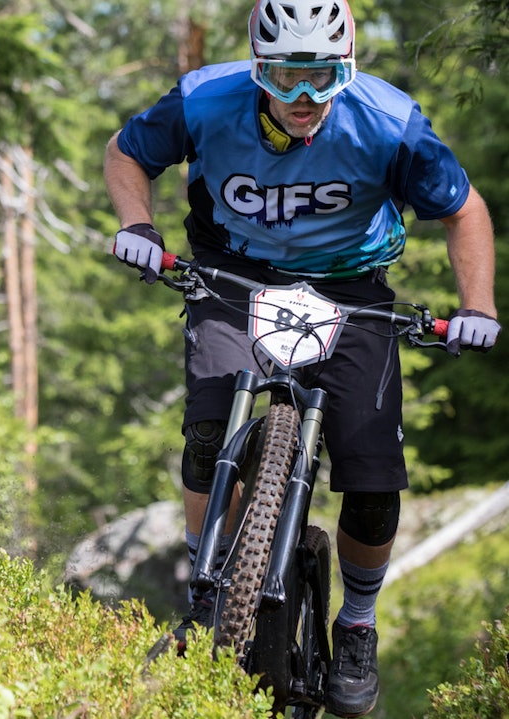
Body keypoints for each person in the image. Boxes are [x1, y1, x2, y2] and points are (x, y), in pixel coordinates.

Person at [103, 0, 499, 716]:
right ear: (260, 70)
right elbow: (127, 151)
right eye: (287, 77)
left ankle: (357, 626)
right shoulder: (204, 101)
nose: (306, 97)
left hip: (353, 288)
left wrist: (477, 307)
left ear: (348, 69)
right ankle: (204, 594)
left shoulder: (390, 121)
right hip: (233, 276)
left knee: (372, 472)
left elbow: (462, 209)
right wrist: (138, 224)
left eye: (324, 77)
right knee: (208, 429)